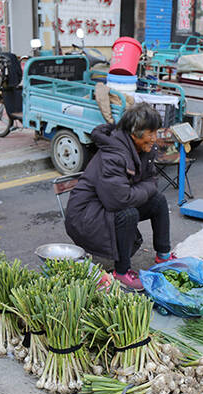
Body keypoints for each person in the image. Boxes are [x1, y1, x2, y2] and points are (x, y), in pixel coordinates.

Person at [64, 103, 174, 291]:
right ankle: (122, 272)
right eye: (151, 133)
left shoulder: (144, 150)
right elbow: (119, 200)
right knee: (128, 213)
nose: (155, 139)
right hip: (85, 216)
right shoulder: (114, 154)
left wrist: (146, 187)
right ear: (135, 132)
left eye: (156, 132)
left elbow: (150, 181)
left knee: (158, 201)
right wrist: (146, 186)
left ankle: (163, 256)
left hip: (107, 205)